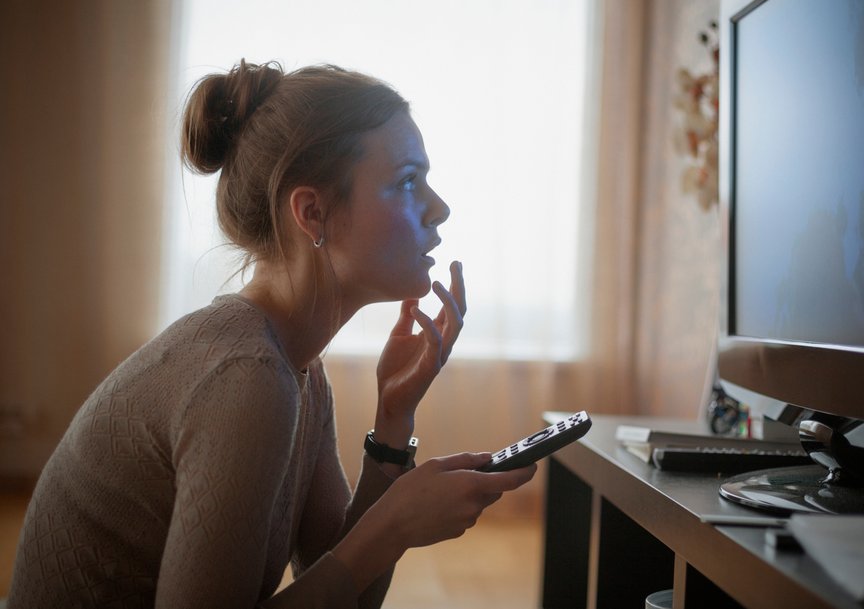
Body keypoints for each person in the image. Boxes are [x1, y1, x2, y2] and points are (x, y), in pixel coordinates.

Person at [7, 60, 536, 608]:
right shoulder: (247, 378)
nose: (439, 209)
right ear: (312, 213)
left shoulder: (297, 370)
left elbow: (345, 587)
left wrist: (393, 421)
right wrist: (394, 525)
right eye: (407, 182)